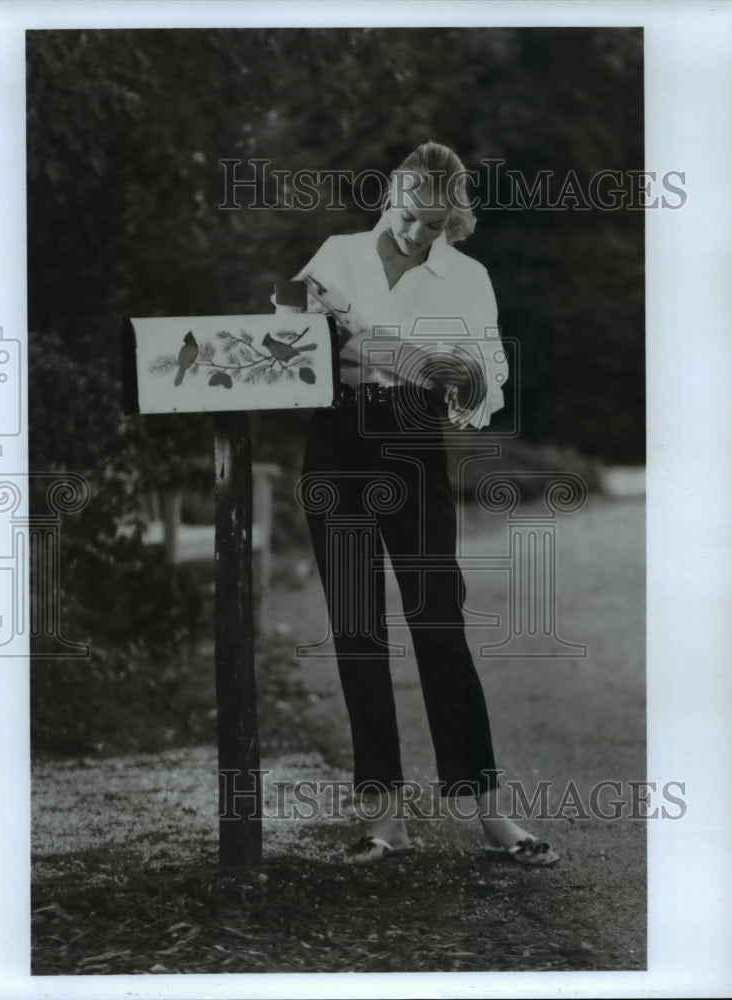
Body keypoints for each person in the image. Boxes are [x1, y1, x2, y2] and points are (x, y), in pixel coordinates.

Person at [290, 141, 558, 867]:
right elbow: (289, 345)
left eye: (433, 223)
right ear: (391, 197)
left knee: (436, 615)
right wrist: (359, 341)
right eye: (410, 216)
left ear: (452, 218)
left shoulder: (466, 277)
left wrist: (402, 355)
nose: (417, 234)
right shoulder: (335, 255)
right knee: (355, 623)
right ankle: (385, 819)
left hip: (409, 431)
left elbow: (481, 380)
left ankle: (489, 813)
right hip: (334, 435)